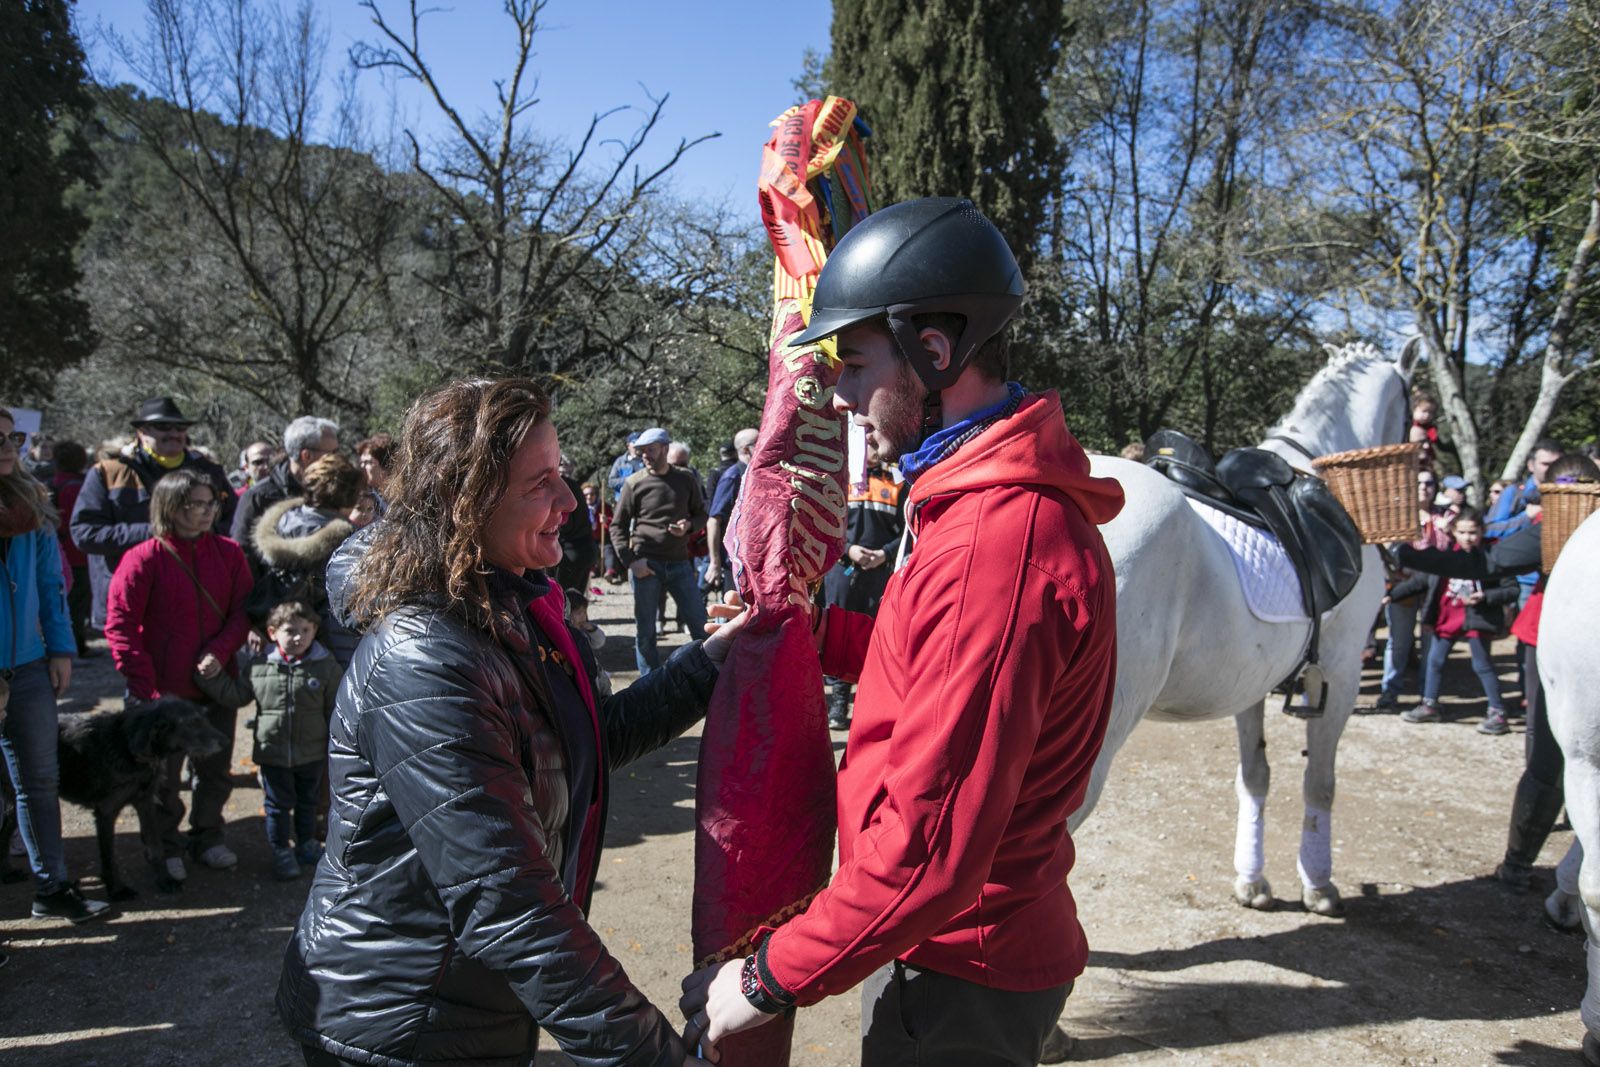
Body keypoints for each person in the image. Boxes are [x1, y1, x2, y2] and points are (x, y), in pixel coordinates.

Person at [680, 198, 1123, 1067]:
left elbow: (931, 856)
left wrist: (765, 977)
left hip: (963, 966)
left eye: (854, 361)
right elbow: (918, 659)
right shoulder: (975, 505)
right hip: (938, 945)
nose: (841, 393)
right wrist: (805, 630)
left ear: (934, 348)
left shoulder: (999, 544)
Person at [277, 377, 738, 1067]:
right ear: (466, 502)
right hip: (406, 1024)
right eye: (541, 482)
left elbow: (585, 738)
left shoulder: (508, 603)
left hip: (469, 1004)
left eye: (564, 475)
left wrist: (710, 663)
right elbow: (509, 904)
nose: (570, 500)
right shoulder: (424, 658)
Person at [1397, 452, 1600, 891]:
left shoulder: (1558, 528)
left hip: (1557, 639)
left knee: (1547, 759)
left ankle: (1518, 863)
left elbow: (1485, 564)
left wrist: (1411, 554)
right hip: (1547, 634)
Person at [104, 469, 253, 878]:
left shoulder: (229, 553)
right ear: (171, 507)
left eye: (212, 503)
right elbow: (120, 626)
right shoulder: (143, 559)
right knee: (163, 781)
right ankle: (165, 846)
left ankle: (208, 836)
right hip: (163, 697)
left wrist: (221, 652)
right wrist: (144, 688)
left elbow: (244, 611)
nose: (207, 512)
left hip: (214, 686)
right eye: (197, 504)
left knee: (215, 771)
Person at [0, 409, 105, 923]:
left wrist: (61, 648)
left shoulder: (32, 504)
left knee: (40, 782)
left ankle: (53, 887)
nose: (7, 445)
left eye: (12, 436)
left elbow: (49, 587)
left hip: (28, 669)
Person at [196, 599, 341, 881]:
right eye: (290, 630)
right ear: (272, 633)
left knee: (308, 801)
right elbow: (235, 695)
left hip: (311, 754)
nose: (298, 637)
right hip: (272, 755)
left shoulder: (326, 667)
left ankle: (307, 845)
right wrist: (207, 678)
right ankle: (281, 851)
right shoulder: (260, 667)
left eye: (305, 630)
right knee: (277, 806)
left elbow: (335, 708)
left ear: (314, 631)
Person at [71, 397, 236, 630]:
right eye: (163, 427)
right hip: (132, 602)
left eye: (180, 427)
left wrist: (199, 535)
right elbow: (85, 533)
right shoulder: (108, 472)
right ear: (142, 431)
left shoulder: (209, 472)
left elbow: (233, 523)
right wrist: (156, 533)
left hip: (198, 598)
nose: (173, 433)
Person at [1387, 508, 1517, 732]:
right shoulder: (1446, 556)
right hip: (1447, 617)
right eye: (1463, 532)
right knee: (1434, 661)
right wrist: (1392, 595)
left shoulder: (1492, 557)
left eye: (1473, 533)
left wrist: (1486, 597)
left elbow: (1511, 589)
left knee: (1482, 664)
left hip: (1477, 618)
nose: (1468, 538)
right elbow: (1421, 581)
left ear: (1482, 532)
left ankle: (1497, 711)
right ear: (1454, 533)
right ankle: (1430, 704)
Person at [610, 427, 709, 674]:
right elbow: (617, 526)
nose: (645, 455)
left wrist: (688, 526)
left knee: (700, 624)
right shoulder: (634, 483)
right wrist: (630, 561)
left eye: (651, 450)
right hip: (646, 564)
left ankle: (710, 677)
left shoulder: (686, 479)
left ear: (665, 449)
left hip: (679, 562)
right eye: (642, 451)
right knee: (646, 631)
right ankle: (648, 684)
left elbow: (700, 514)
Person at [821, 444, 906, 730]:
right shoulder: (841, 480)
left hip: (881, 570)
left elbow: (909, 526)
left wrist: (886, 553)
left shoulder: (896, 479)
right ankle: (838, 703)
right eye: (865, 442)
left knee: (878, 635)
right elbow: (827, 522)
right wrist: (848, 549)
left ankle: (871, 705)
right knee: (839, 631)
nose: (871, 446)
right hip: (844, 568)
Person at [1370, 470, 1452, 713]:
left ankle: (1427, 695)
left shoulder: (1446, 517)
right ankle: (1390, 692)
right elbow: (1384, 551)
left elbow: (1451, 552)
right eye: (1418, 482)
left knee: (1430, 641)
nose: (1424, 487)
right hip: (1404, 585)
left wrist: (1447, 532)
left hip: (1434, 587)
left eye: (1429, 483)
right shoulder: (1397, 517)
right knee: (1399, 641)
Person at [251, 454, 361, 628]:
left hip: (278, 628)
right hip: (324, 632)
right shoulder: (345, 537)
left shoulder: (283, 520)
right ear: (348, 494)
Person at [233, 416, 340, 574]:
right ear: (306, 456)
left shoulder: (335, 491)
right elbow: (242, 557)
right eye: (332, 453)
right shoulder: (258, 497)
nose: (337, 458)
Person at [49, 440, 93, 656]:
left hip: (62, 553)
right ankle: (77, 646)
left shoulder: (55, 483)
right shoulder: (79, 487)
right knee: (76, 605)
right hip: (78, 556)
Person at [703, 427, 758, 596]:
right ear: (745, 449)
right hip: (735, 564)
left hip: (755, 561)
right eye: (759, 443)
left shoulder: (754, 474)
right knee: (736, 613)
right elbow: (713, 521)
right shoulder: (732, 477)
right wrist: (715, 562)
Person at [354, 432, 394, 512]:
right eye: (361, 462)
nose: (362, 467)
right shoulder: (362, 499)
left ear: (385, 464)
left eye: (367, 462)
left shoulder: (407, 494)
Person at [1409, 389, 1441, 472]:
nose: (1427, 415)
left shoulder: (1429, 428)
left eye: (1430, 413)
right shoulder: (1410, 427)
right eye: (1424, 411)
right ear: (1414, 410)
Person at [606, 431, 644, 500]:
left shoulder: (646, 460)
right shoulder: (620, 461)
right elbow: (611, 482)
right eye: (634, 442)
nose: (638, 445)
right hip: (623, 500)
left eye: (640, 442)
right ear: (628, 445)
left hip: (642, 499)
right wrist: (628, 480)